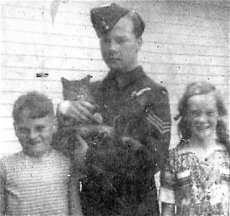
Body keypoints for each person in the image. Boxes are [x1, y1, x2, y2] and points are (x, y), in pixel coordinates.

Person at [56, 3, 171, 216]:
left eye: (120, 40)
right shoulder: (91, 92)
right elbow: (60, 145)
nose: (112, 48)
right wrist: (63, 110)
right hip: (93, 207)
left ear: (138, 43)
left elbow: (152, 161)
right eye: (105, 40)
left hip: (135, 208)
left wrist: (90, 157)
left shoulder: (155, 95)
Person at [0, 92, 83, 216]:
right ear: (15, 129)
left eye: (40, 128)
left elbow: (75, 209)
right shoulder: (5, 167)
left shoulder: (66, 163)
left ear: (54, 125)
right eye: (24, 130)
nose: (32, 136)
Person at [160, 81, 230, 216]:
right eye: (195, 113)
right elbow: (167, 211)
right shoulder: (173, 159)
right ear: (186, 116)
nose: (202, 119)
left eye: (209, 113)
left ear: (218, 114)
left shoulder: (227, 154)